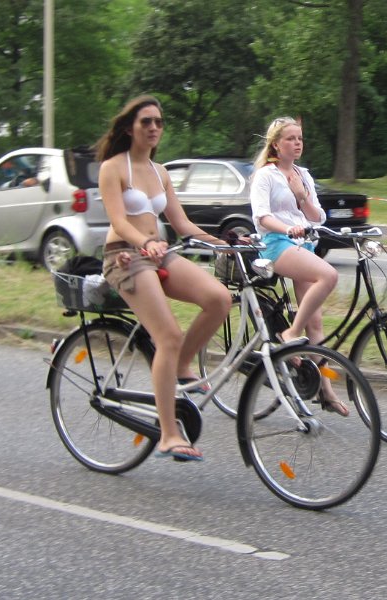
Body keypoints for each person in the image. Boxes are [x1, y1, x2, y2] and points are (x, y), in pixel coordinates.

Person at [95, 95, 232, 462]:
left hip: (158, 252)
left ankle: (183, 364)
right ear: (129, 128)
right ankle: (169, 434)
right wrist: (146, 243)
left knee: (220, 299)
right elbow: (120, 221)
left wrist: (226, 243)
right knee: (167, 335)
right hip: (125, 256)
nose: (154, 128)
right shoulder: (113, 167)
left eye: (159, 122)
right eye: (146, 122)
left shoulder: (160, 172)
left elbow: (182, 223)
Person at [249, 116, 349, 417]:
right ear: (276, 145)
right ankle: (290, 334)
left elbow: (318, 217)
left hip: (304, 245)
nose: (297, 143)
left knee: (316, 323)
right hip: (278, 245)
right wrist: (286, 229)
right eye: (291, 138)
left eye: (300, 138)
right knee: (328, 275)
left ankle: (326, 392)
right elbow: (261, 217)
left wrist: (302, 195)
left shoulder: (303, 175)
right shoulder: (265, 176)